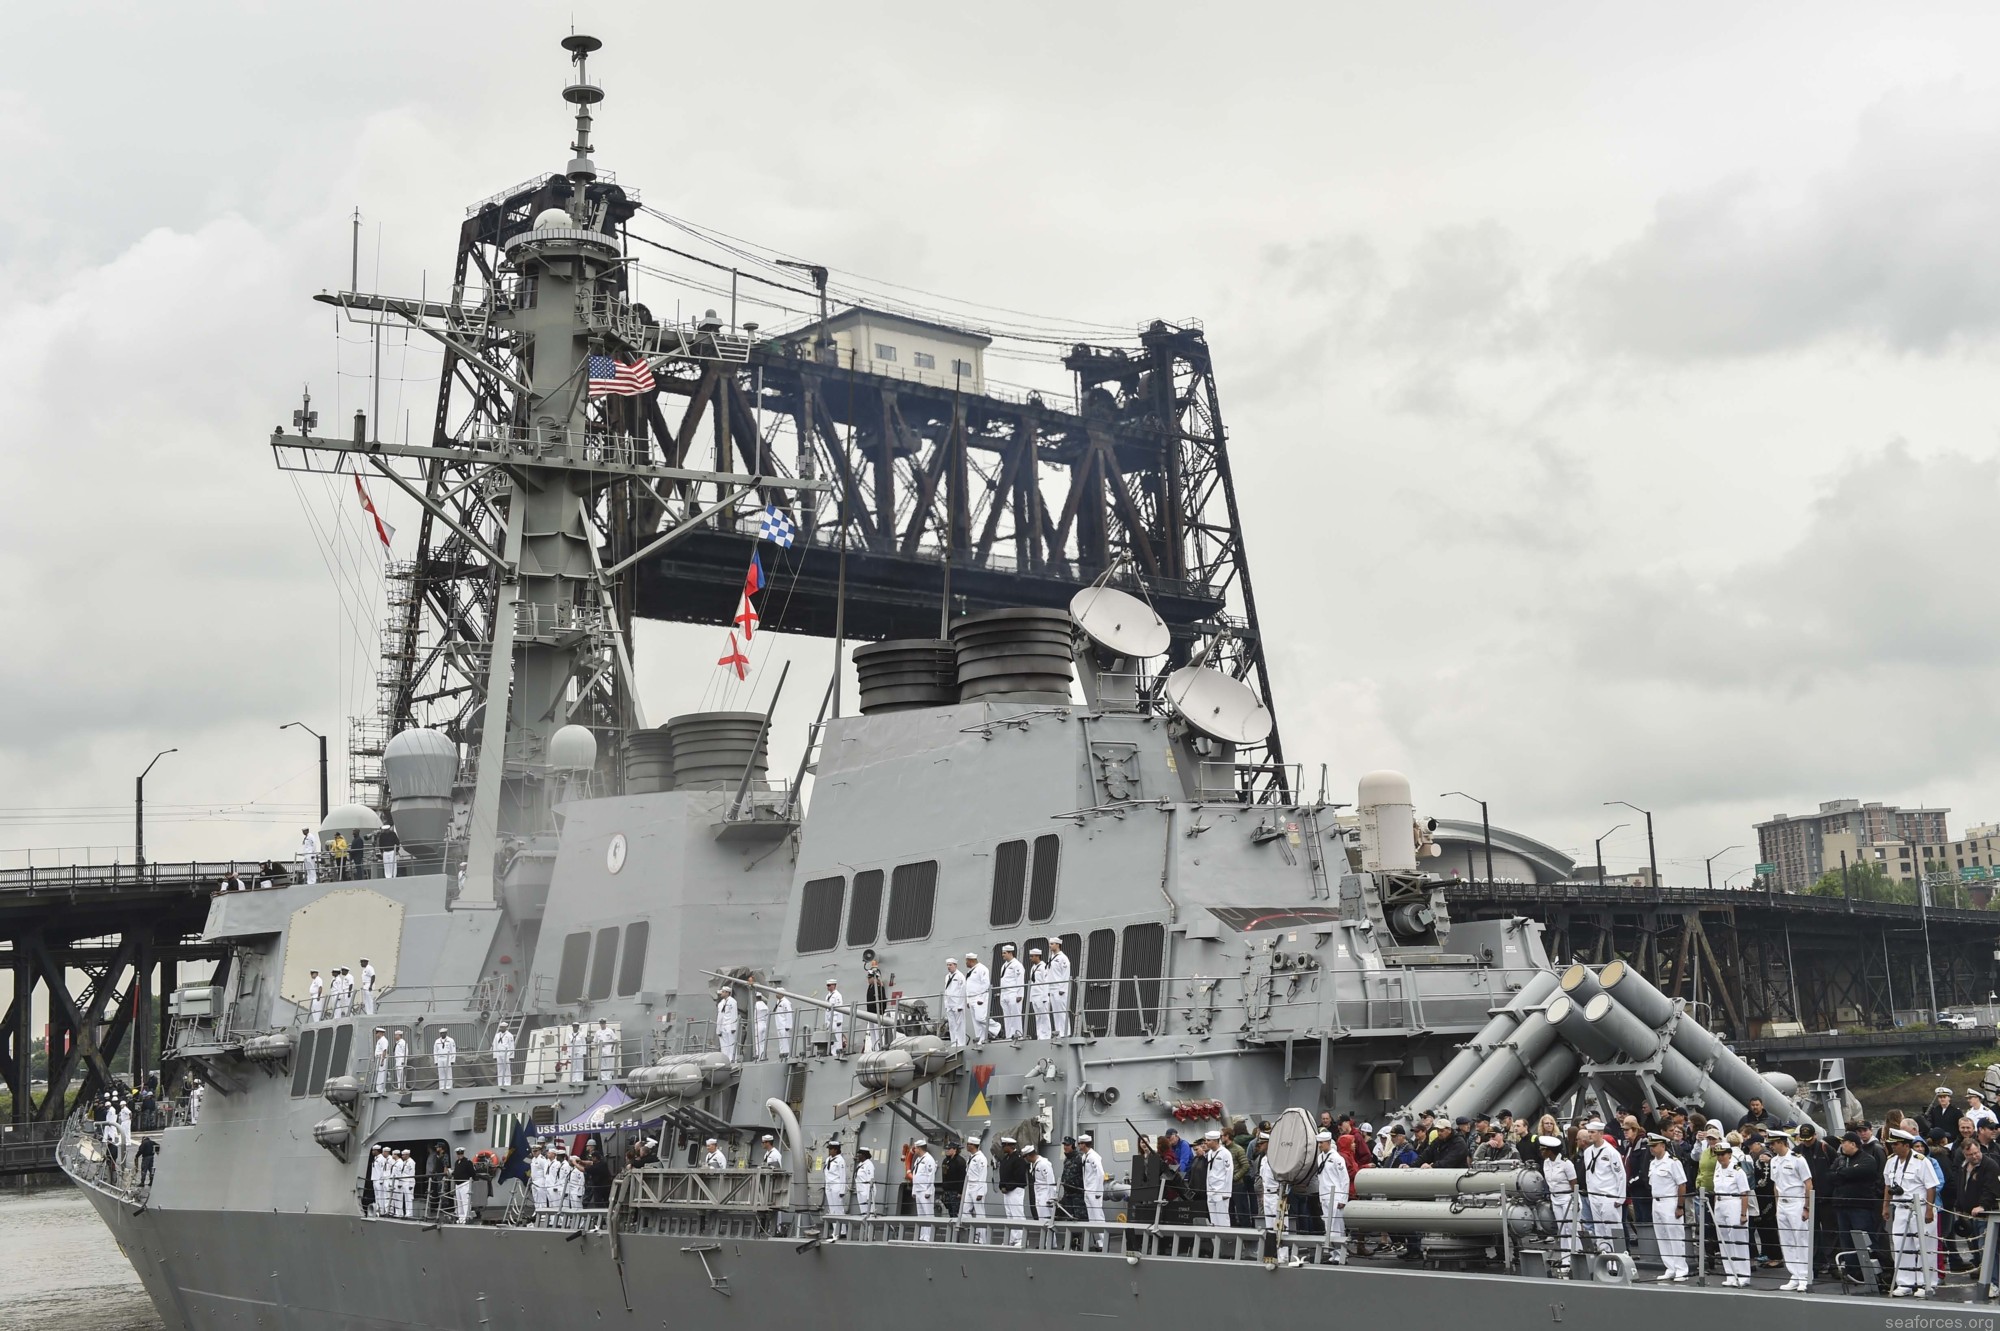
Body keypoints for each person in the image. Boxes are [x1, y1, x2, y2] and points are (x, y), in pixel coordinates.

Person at [1883, 1127, 1934, 1297]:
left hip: (1918, 1208)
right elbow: (1888, 1185)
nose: (1893, 1147)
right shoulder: (1891, 1161)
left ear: (1906, 1145)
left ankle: (1925, 1282)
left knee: (1922, 1245)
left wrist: (1929, 1210)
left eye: (1896, 1144)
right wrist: (1885, 1206)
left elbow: (1931, 1186)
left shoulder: (1921, 1161)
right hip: (1900, 1208)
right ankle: (1905, 1282)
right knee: (1900, 1245)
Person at [1765, 1131, 1814, 1290]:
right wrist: (1777, 1206)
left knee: (1801, 1240)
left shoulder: (1798, 1160)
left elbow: (1808, 1184)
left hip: (1796, 1202)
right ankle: (1794, 1274)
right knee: (1787, 1241)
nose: (1771, 1147)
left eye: (1773, 1143)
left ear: (1781, 1142)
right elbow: (1776, 1185)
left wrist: (1807, 1207)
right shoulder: (1773, 1161)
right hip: (1783, 1204)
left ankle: (1805, 1276)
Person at [1950, 1140, 2000, 1272]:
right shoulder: (1964, 1166)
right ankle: (1985, 1279)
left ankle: (1993, 1283)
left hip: (1985, 1215)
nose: (1974, 1156)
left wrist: (1983, 1206)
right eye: (1970, 1154)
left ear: (1979, 1149)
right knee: (1976, 1248)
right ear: (1964, 1154)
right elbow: (1961, 1187)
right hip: (1968, 1214)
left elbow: (1990, 1189)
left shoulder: (1990, 1165)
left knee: (1987, 1250)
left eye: (1976, 1152)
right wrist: (1959, 1206)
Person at [1712, 1140, 1753, 1286]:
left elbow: (1744, 1193)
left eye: (1723, 1154)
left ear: (1729, 1154)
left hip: (1734, 1203)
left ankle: (1743, 1276)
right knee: (1724, 1241)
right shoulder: (1717, 1171)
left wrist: (1743, 1213)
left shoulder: (1737, 1170)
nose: (1720, 1157)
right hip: (1721, 1204)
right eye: (1718, 1154)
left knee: (1738, 1240)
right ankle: (1730, 1274)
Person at [1580, 1119, 1626, 1251]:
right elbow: (1589, 1175)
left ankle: (1618, 1258)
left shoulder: (1611, 1152)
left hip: (1609, 1196)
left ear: (1600, 1133)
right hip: (1594, 1196)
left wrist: (1620, 1197)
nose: (1589, 1135)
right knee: (1599, 1229)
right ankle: (1605, 1257)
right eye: (1588, 1132)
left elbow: (1620, 1175)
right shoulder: (1588, 1152)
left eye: (1592, 1132)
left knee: (1613, 1229)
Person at [1539, 1135, 1579, 1265]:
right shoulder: (1546, 1162)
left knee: (1571, 1228)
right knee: (1561, 1230)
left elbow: (1574, 1183)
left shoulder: (1566, 1163)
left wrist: (1575, 1200)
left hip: (1567, 1198)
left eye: (1543, 1149)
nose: (1541, 1152)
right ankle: (1566, 1258)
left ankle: (1577, 1256)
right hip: (1555, 1198)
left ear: (1550, 1151)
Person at [1317, 1130, 1350, 1261]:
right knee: (1328, 1226)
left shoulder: (1337, 1158)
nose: (1320, 1145)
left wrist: (1343, 1198)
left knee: (1337, 1227)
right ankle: (1333, 1254)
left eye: (1322, 1143)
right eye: (1319, 1143)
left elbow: (1344, 1179)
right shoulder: (1320, 1158)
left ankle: (1341, 1254)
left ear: (1329, 1142)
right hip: (1324, 1195)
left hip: (1335, 1196)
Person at [998, 1137, 1029, 1245]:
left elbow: (1019, 1177)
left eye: (1004, 1145)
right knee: (1010, 1215)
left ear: (1010, 1146)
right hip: (1007, 1190)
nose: (1003, 1147)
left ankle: (1021, 1239)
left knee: (1017, 1214)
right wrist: (1001, 1186)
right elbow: (1003, 1174)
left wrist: (1008, 1186)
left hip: (1015, 1189)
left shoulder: (1018, 1159)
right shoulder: (1006, 1159)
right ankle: (1012, 1238)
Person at [960, 1136, 989, 1243]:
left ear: (973, 1145)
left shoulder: (981, 1158)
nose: (967, 1146)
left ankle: (982, 1238)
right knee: (965, 1210)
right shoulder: (971, 1157)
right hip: (969, 1186)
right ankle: (973, 1233)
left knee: (980, 1213)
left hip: (977, 1186)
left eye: (969, 1144)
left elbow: (982, 1175)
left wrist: (980, 1192)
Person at [1079, 1132, 1106, 1237]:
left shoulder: (1094, 1156)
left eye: (1080, 1143)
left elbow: (1101, 1174)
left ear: (1084, 1144)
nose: (1079, 1146)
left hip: (1094, 1191)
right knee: (1092, 1218)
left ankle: (1103, 1242)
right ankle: (1097, 1241)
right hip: (1088, 1191)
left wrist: (1098, 1191)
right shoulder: (1084, 1157)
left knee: (1098, 1217)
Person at [1204, 1130, 1233, 1230]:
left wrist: (1227, 1192)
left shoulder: (1225, 1153)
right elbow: (1209, 1172)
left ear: (1215, 1141)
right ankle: (1215, 1240)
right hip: (1211, 1190)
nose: (1206, 1142)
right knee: (1213, 1219)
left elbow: (1229, 1172)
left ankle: (1226, 1240)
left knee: (1222, 1218)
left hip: (1221, 1190)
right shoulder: (1210, 1153)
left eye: (1208, 1140)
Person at [997, 944, 1026, 1040]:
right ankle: (1009, 1035)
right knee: (1007, 1016)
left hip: (1013, 993)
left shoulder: (1017, 965)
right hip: (1004, 993)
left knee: (1015, 1015)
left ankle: (1018, 1034)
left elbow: (1020, 979)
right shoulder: (1004, 965)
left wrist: (1020, 994)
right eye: (1002, 953)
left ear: (1010, 953)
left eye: (1004, 953)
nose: (1003, 955)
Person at [912, 1139, 938, 1241]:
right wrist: (914, 1190)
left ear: (919, 1148)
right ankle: (922, 1235)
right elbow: (915, 1175)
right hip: (918, 1190)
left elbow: (931, 1175)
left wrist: (928, 1191)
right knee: (921, 1214)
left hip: (925, 1191)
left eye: (915, 1148)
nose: (914, 1150)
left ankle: (928, 1236)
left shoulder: (929, 1159)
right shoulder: (918, 1160)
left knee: (928, 1214)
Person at [963, 952, 992, 1045]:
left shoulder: (982, 969)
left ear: (971, 960)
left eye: (966, 961)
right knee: (976, 1021)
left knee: (981, 1018)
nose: (965, 963)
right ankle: (980, 1038)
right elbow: (968, 986)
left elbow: (985, 984)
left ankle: (996, 1027)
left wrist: (981, 998)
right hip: (971, 998)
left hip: (979, 998)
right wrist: (968, 1000)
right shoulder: (970, 971)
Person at [1046, 937, 1072, 1038]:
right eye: (1050, 944)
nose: (1050, 946)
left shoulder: (1062, 958)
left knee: (1062, 1011)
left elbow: (1065, 973)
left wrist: (1063, 988)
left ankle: (1066, 1032)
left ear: (1058, 945)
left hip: (1059, 988)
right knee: (1056, 1012)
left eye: (1052, 944)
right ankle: (1059, 1032)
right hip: (1052, 988)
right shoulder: (1052, 957)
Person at [1029, 1142, 1057, 1233]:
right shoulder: (1034, 1164)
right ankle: (1045, 1242)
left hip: (1046, 1196)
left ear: (1030, 1155)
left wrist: (1051, 1197)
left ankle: (1051, 1243)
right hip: (1039, 1195)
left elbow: (1050, 1181)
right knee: (1042, 1221)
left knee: (1047, 1220)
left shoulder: (1044, 1164)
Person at [863, 961, 889, 1053]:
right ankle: (874, 1048)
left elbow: (883, 1000)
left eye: (869, 978)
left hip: (876, 1013)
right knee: (872, 1032)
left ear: (873, 978)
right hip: (870, 1013)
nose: (868, 979)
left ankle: (879, 1047)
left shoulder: (879, 988)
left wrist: (881, 1012)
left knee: (878, 1032)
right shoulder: (870, 987)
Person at [822, 1140, 849, 1226]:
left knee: (838, 1209)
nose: (829, 1151)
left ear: (836, 1150)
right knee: (832, 1209)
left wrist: (842, 1190)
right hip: (829, 1186)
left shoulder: (840, 1160)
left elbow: (842, 1176)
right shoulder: (828, 1159)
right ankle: (835, 1231)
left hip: (836, 1186)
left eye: (831, 1149)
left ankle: (842, 1231)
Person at [1027, 948, 1052, 1040]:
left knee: (1044, 1016)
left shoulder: (1043, 967)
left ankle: (1046, 1035)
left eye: (1032, 956)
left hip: (1042, 995)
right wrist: (1031, 998)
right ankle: (1040, 1035)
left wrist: (1045, 997)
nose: (1030, 958)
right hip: (1035, 995)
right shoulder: (1033, 968)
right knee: (1038, 1017)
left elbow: (1046, 982)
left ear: (1037, 956)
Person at [942, 957, 967, 1047]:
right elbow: (946, 990)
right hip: (949, 1004)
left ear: (955, 965)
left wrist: (960, 1005)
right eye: (948, 965)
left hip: (957, 1003)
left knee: (959, 1024)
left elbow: (963, 990)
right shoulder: (947, 976)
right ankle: (954, 1042)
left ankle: (960, 1043)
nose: (949, 967)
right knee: (952, 1025)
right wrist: (946, 1003)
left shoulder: (960, 976)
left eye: (950, 965)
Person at [452, 1148, 475, 1224]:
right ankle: (461, 1218)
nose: (460, 1155)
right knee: (459, 1202)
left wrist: (472, 1180)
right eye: (458, 1154)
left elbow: (472, 1172)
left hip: (465, 1184)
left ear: (463, 1153)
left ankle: (466, 1217)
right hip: (458, 1184)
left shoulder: (467, 1162)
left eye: (461, 1153)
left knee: (465, 1202)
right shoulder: (457, 1162)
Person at [715, 987, 739, 1056]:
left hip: (730, 1025)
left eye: (723, 992)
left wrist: (733, 1027)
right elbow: (720, 1016)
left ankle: (732, 1059)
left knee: (731, 1044)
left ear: (727, 993)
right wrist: (718, 1030)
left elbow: (734, 1014)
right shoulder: (721, 1003)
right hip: (723, 1026)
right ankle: (725, 1058)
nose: (721, 993)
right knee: (724, 1045)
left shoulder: (732, 1001)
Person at [825, 979, 847, 1055]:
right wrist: (826, 1021)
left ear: (834, 985)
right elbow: (827, 1010)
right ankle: (832, 1051)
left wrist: (839, 1020)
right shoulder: (828, 996)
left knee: (837, 1037)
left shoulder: (837, 995)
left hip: (835, 1019)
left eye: (829, 985)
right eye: (827, 985)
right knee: (831, 1037)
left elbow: (839, 1008)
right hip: (829, 1019)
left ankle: (837, 1052)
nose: (827, 987)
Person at [854, 1146, 877, 1217]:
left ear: (863, 1155)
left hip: (866, 1191)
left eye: (859, 1154)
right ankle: (864, 1227)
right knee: (863, 1213)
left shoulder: (869, 1165)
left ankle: (869, 1228)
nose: (857, 1155)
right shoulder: (860, 1164)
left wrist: (868, 1196)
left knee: (869, 1213)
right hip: (860, 1191)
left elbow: (870, 1180)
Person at [492, 1022, 515, 1089]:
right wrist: (495, 1055)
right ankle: (500, 1083)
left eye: (502, 1027)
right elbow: (495, 1045)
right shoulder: (497, 1035)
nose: (501, 1028)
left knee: (507, 1069)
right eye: (500, 1027)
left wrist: (511, 1056)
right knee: (500, 1069)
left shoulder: (509, 1035)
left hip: (506, 1053)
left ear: (506, 1027)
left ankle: (507, 1083)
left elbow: (511, 1046)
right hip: (499, 1053)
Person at [773, 991, 795, 1058]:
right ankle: (782, 1053)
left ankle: (787, 1054)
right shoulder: (778, 1002)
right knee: (781, 1040)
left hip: (784, 1025)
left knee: (785, 1040)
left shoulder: (786, 1002)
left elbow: (789, 1013)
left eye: (777, 993)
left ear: (781, 993)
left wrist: (788, 1025)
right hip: (779, 1024)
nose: (776, 994)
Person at [752, 992, 770, 1060]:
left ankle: (758, 1056)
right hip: (764, 1024)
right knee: (763, 1041)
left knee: (757, 1042)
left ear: (756, 998)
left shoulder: (756, 1005)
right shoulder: (765, 1006)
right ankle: (763, 1055)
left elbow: (755, 1015)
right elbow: (768, 1015)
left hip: (758, 1023)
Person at [372, 1027, 390, 1093]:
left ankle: (381, 1089)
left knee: (381, 1074)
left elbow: (384, 1050)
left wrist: (382, 1060)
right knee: (379, 1073)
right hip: (378, 1059)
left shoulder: (383, 1040)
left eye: (377, 1033)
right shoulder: (380, 1040)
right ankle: (378, 1089)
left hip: (381, 1059)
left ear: (380, 1033)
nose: (376, 1035)